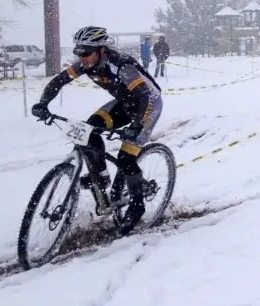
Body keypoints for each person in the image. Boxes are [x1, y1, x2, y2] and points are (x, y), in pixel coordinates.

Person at [30, 26, 163, 235]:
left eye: (86, 52)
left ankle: (137, 206)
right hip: (124, 103)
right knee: (88, 131)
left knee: (126, 158)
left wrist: (136, 125)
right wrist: (43, 104)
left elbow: (145, 96)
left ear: (101, 50)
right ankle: (101, 178)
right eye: (79, 52)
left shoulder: (121, 66)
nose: (82, 57)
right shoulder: (86, 64)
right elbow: (59, 81)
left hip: (147, 106)